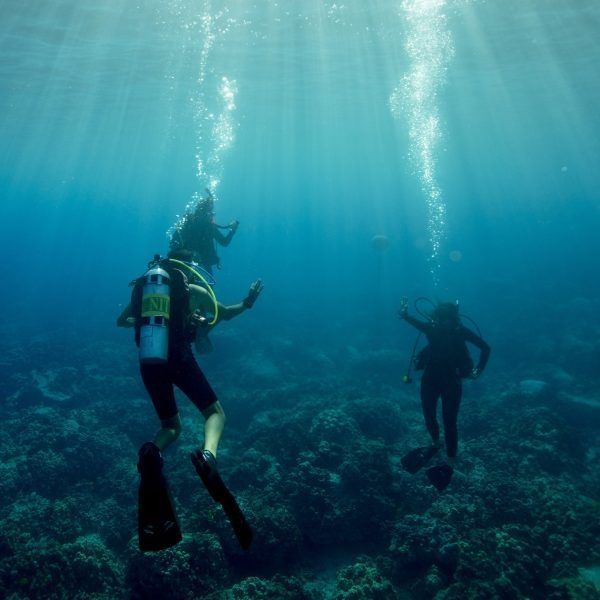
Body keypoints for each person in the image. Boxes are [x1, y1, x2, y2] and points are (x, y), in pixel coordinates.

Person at [117, 257, 263, 550]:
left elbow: (122, 321)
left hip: (149, 360)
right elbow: (225, 314)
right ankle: (208, 455)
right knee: (215, 412)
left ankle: (151, 452)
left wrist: (152, 319)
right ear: (187, 270)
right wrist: (248, 301)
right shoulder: (193, 290)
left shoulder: (144, 291)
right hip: (179, 358)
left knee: (170, 426)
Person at [398, 298, 490, 491]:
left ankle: (445, 454)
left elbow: (485, 348)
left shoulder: (438, 329)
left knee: (440, 418)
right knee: (438, 418)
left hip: (439, 380)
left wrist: (405, 313)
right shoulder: (450, 330)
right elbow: (485, 348)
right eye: (442, 318)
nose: (445, 322)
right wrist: (478, 370)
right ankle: (441, 449)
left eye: (447, 318)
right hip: (445, 380)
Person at [168, 190, 239, 273]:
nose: (211, 215)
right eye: (210, 212)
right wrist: (232, 230)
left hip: (186, 261)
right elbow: (224, 242)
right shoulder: (208, 226)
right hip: (201, 262)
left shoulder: (189, 222)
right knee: (207, 283)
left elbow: (174, 241)